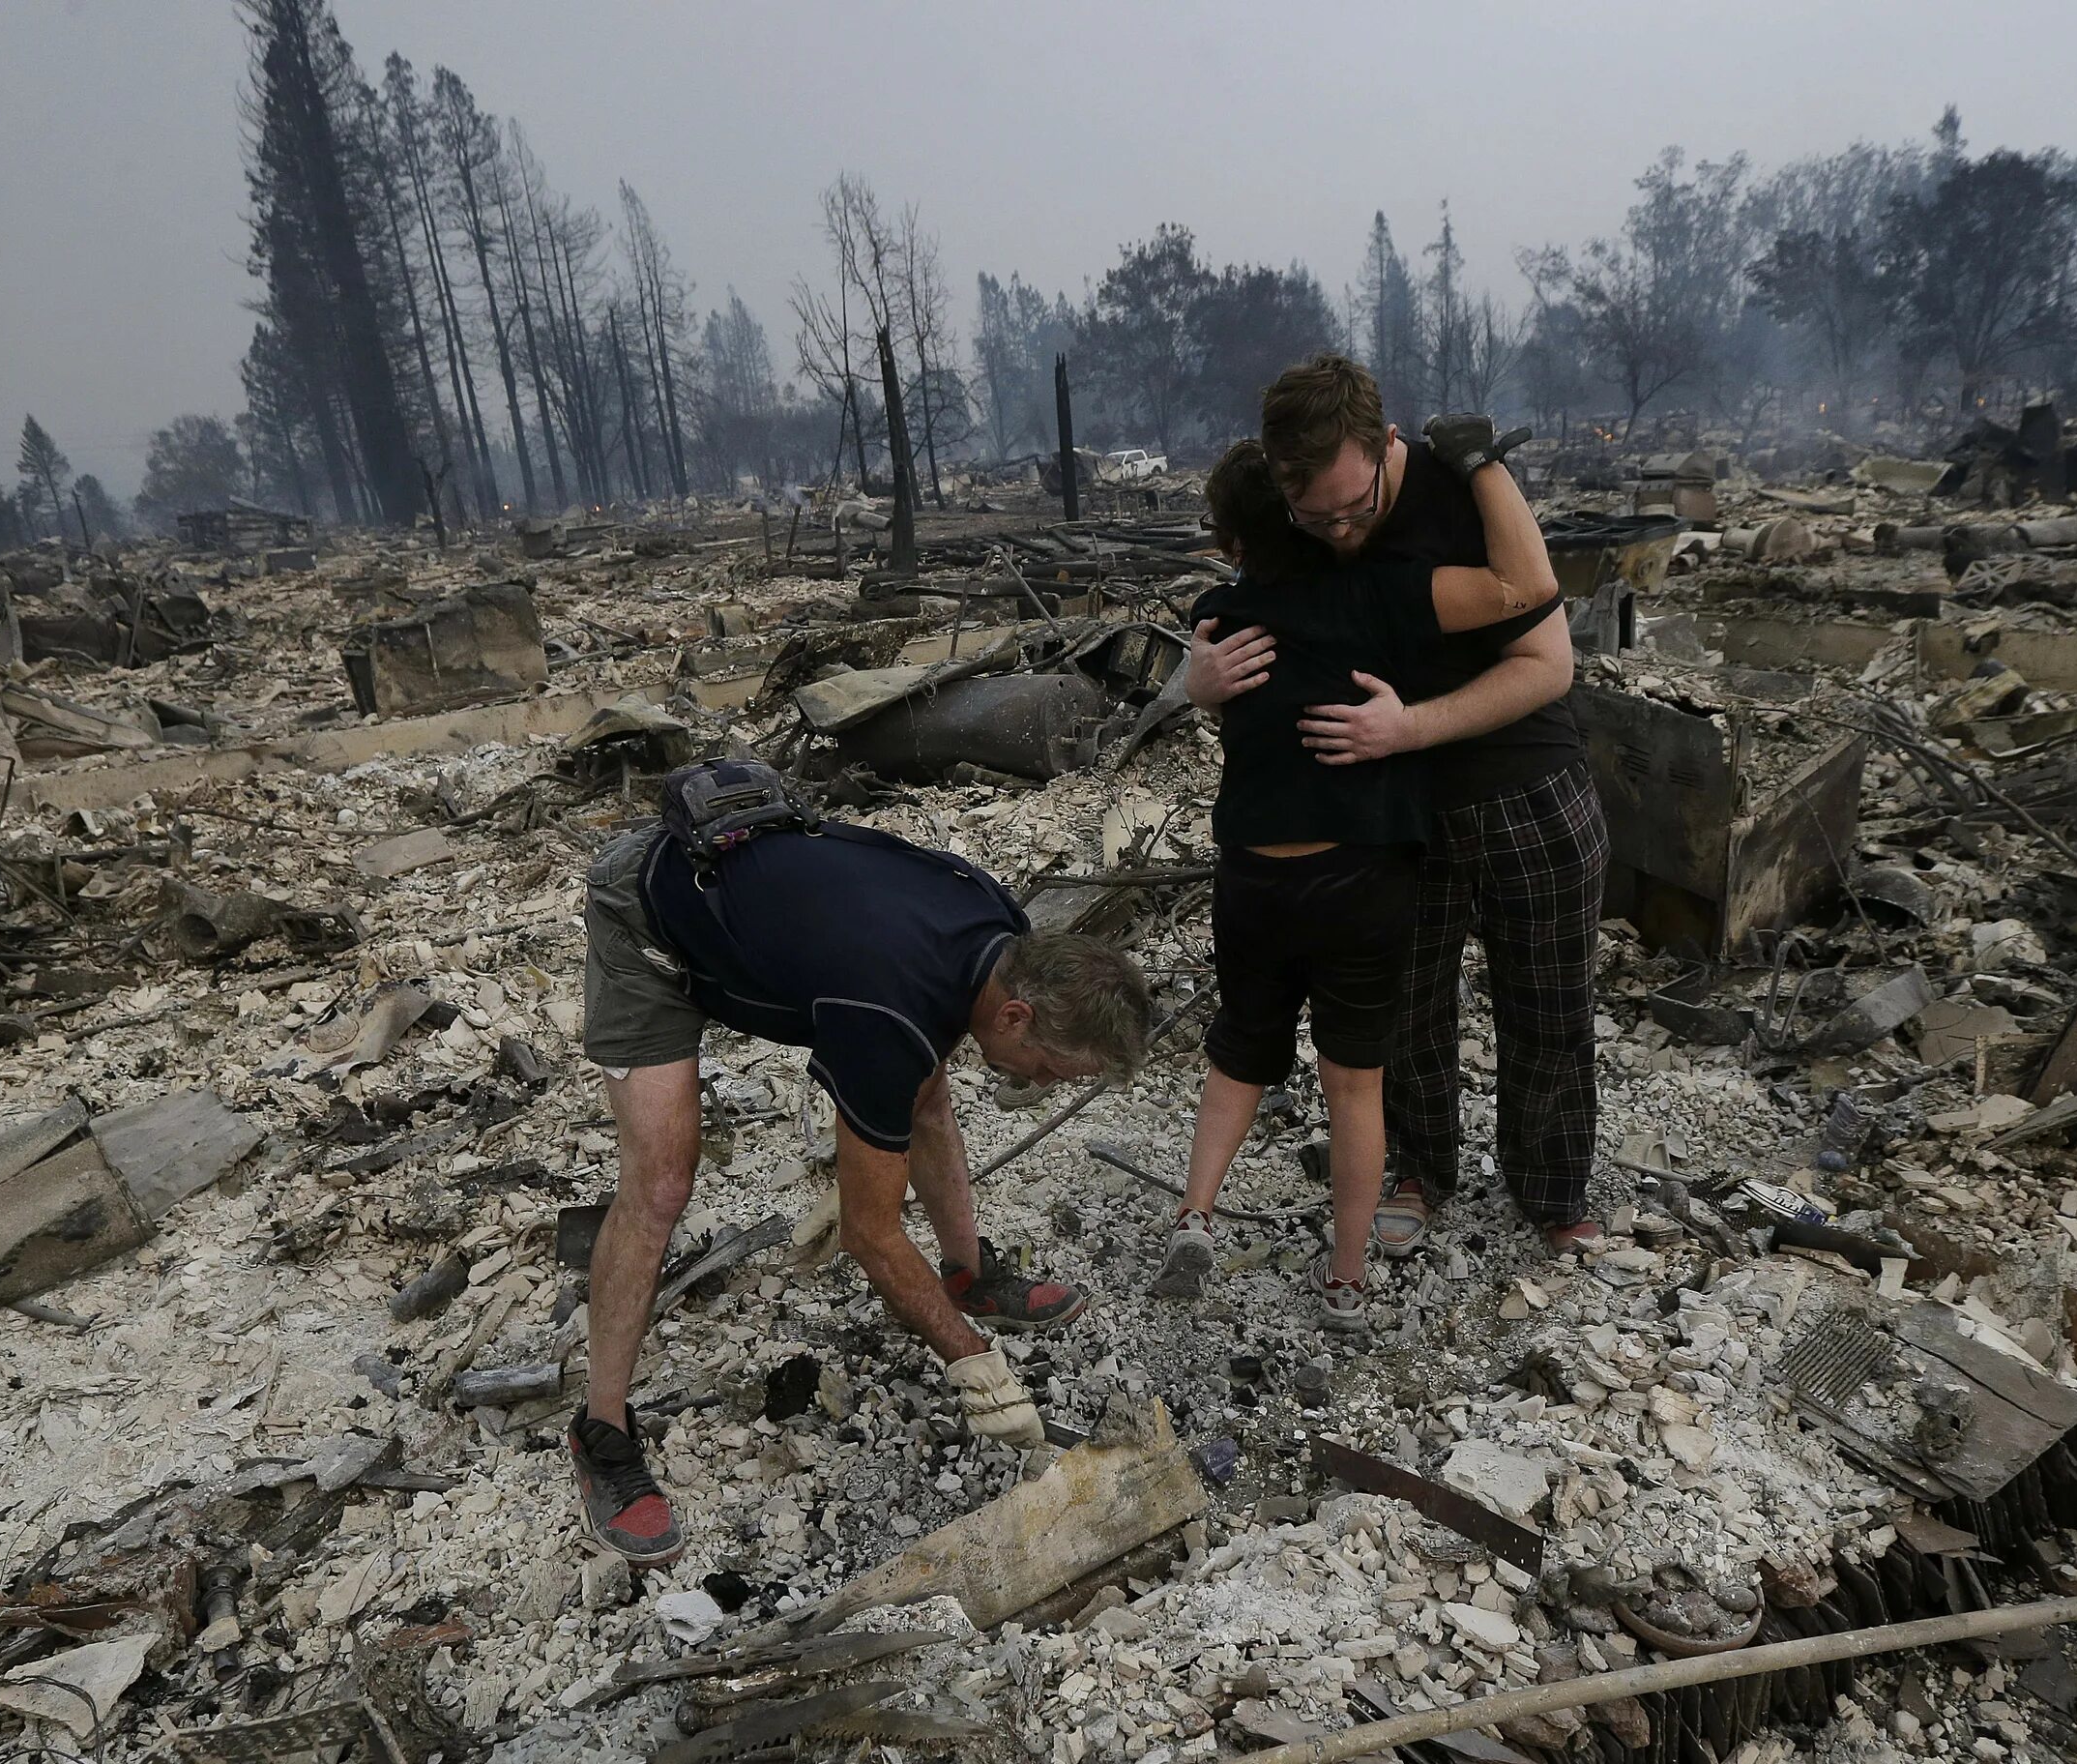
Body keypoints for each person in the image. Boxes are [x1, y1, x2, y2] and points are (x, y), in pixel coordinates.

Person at [570, 785, 1153, 1564]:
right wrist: (975, 1366)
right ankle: (601, 1434)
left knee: (928, 1092)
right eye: (1051, 1067)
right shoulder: (892, 1013)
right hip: (652, 919)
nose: (1043, 1083)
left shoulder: (1004, 934)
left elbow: (914, 1062)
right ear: (1015, 1017)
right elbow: (869, 1234)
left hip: (761, 889)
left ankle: (967, 1272)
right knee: (664, 1180)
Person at [1185, 357, 1611, 1261]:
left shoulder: (1467, 501)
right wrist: (1202, 685)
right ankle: (1420, 1168)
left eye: (1357, 509)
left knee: (1548, 1008)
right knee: (1406, 1017)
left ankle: (1553, 1194)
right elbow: (1271, 641)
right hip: (1388, 824)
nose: (1341, 531)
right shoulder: (1302, 516)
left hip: (1525, 787)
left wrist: (1409, 729)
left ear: (1387, 445)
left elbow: (1549, 663)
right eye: (1318, 517)